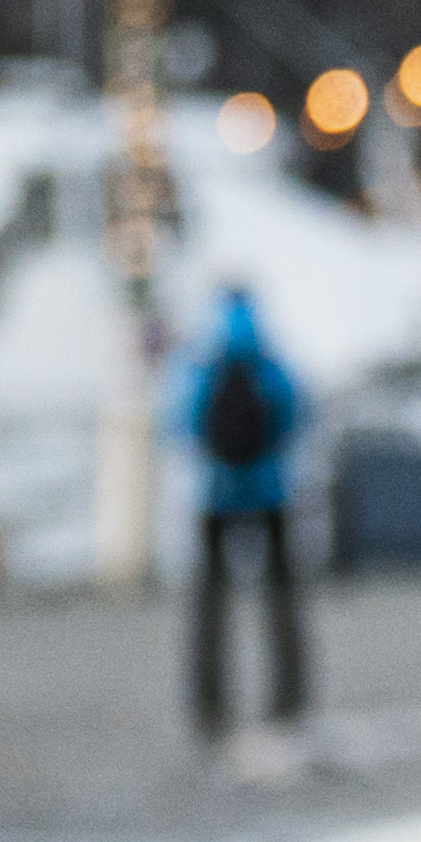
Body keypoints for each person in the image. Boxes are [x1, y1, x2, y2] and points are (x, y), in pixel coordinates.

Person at [179, 285, 315, 746]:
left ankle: (210, 706)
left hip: (215, 496)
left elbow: (183, 421)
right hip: (269, 491)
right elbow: (297, 413)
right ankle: (289, 698)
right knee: (280, 603)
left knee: (211, 608)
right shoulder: (271, 361)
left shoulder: (204, 361)